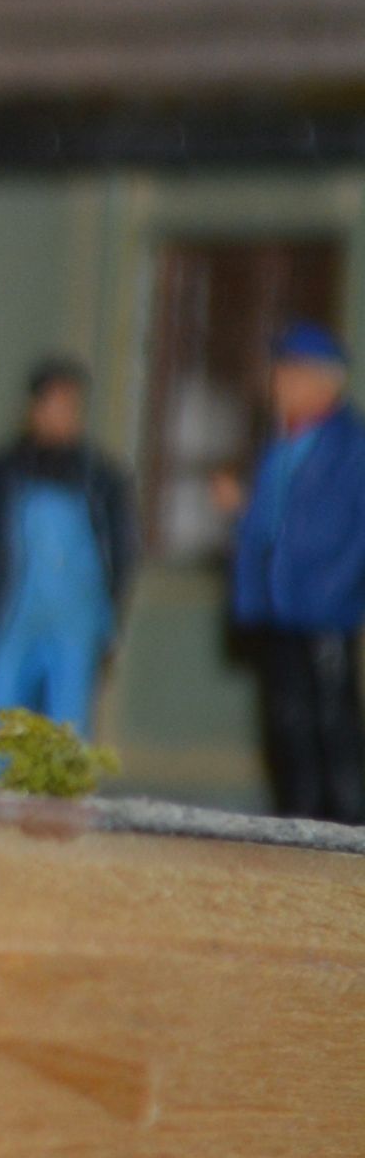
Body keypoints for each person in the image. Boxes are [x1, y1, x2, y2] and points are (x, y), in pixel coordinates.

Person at [0, 356, 136, 742]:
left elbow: (121, 548)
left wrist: (112, 615)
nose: (63, 417)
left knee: (68, 724)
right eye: (55, 405)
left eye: (71, 407)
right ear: (34, 408)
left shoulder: (101, 478)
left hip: (75, 621)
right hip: (10, 610)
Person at [227, 324, 365, 823]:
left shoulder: (350, 446)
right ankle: (298, 821)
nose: (278, 384)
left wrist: (336, 588)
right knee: (287, 725)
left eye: (290, 373)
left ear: (323, 381)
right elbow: (271, 524)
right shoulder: (280, 444)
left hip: (324, 608)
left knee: (331, 724)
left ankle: (347, 827)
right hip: (278, 607)